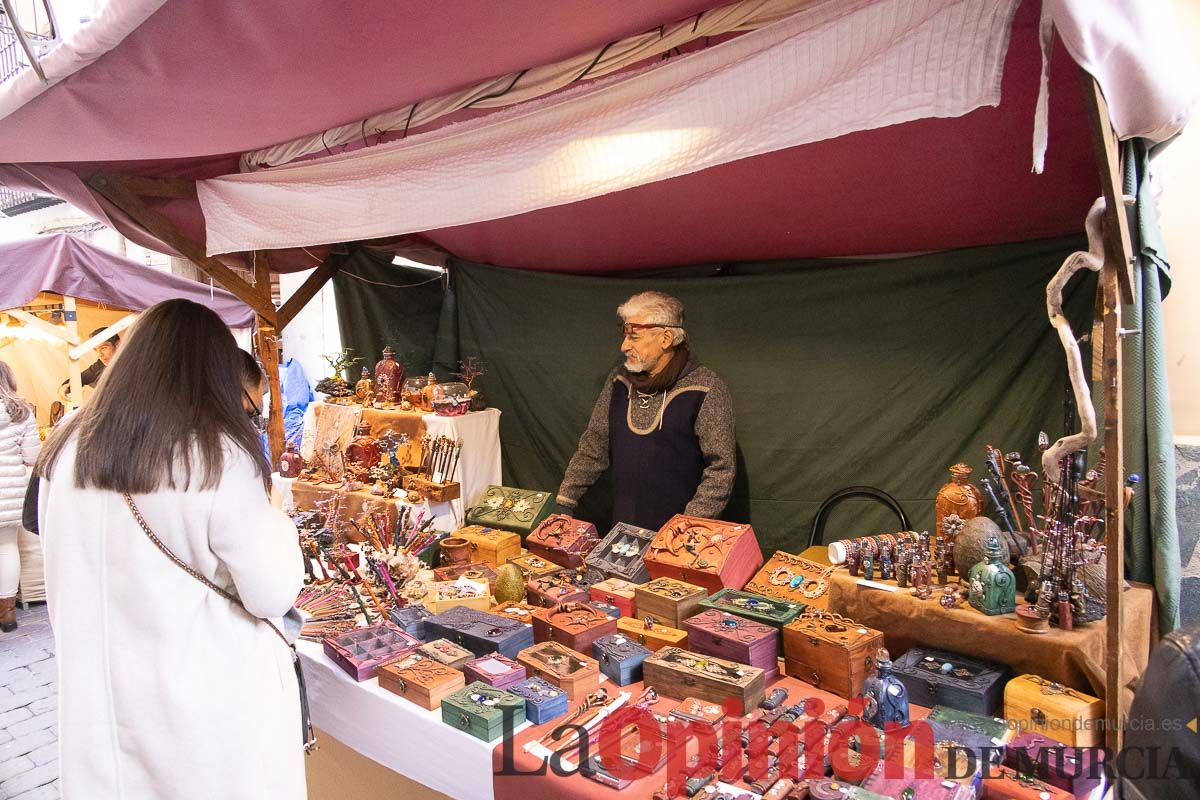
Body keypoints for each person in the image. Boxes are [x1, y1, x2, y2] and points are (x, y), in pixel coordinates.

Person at [36, 299, 307, 798]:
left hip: (101, 704)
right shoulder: (214, 454)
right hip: (201, 714)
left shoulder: (69, 440)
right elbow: (271, 592)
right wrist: (279, 522)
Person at [556, 291, 735, 530]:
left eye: (634, 337)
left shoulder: (705, 388)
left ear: (666, 338)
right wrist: (565, 503)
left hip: (677, 543)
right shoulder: (619, 381)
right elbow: (594, 446)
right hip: (622, 530)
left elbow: (721, 470)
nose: (624, 346)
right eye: (624, 335)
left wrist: (684, 528)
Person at [0, 361, 39, 632]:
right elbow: (32, 457)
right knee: (6, 548)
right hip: (9, 492)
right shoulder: (22, 412)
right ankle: (8, 614)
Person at [59, 327, 120, 397]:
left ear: (117, 345)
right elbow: (78, 379)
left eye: (103, 348)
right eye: (96, 350)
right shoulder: (99, 365)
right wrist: (64, 388)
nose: (100, 354)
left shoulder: (133, 363)